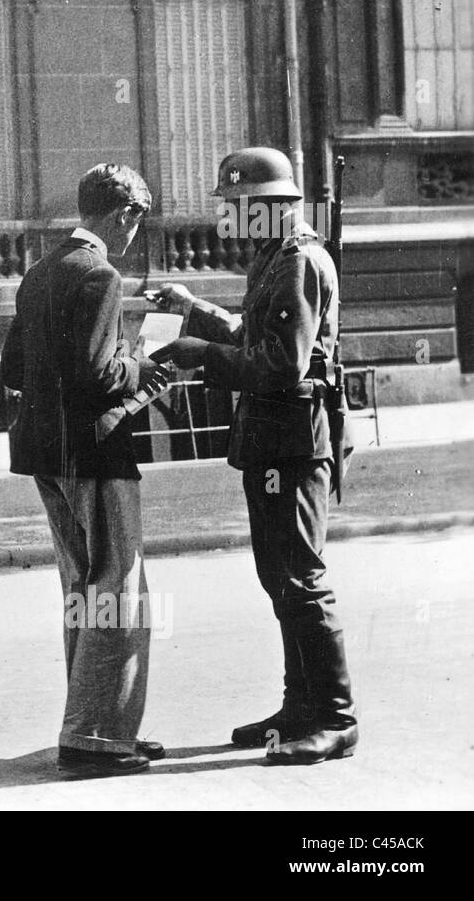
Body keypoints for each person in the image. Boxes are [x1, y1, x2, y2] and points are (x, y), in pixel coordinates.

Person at [151, 146, 357, 766]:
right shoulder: (273, 259)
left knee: (301, 578)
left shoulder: (297, 261)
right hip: (273, 439)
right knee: (280, 579)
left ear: (266, 207)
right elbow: (253, 338)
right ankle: (299, 707)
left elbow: (280, 364)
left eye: (236, 207)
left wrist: (197, 354)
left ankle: (336, 718)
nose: (229, 219)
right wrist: (194, 311)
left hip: (294, 441)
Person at [1, 163, 169, 777]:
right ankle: (96, 736)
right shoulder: (99, 274)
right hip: (97, 452)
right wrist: (142, 366)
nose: (134, 235)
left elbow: (14, 367)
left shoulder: (40, 272)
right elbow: (99, 375)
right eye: (136, 221)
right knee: (118, 590)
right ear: (123, 213)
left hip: (48, 456)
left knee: (81, 590)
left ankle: (94, 725)